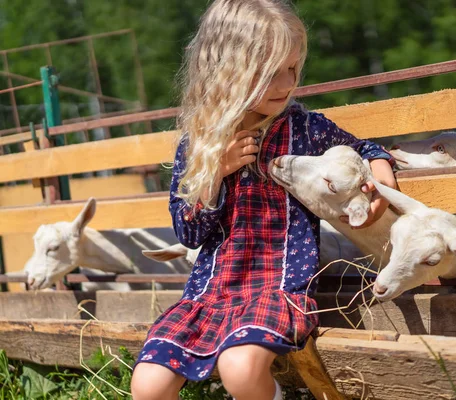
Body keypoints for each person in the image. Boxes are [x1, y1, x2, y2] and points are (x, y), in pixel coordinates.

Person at [130, 1, 397, 399]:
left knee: (239, 368)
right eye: (271, 73)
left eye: (292, 69)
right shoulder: (199, 144)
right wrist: (215, 174)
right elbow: (188, 232)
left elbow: (365, 148)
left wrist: (381, 178)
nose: (286, 84)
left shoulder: (305, 129)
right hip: (210, 291)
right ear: (225, 71)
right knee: (147, 386)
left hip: (277, 286)